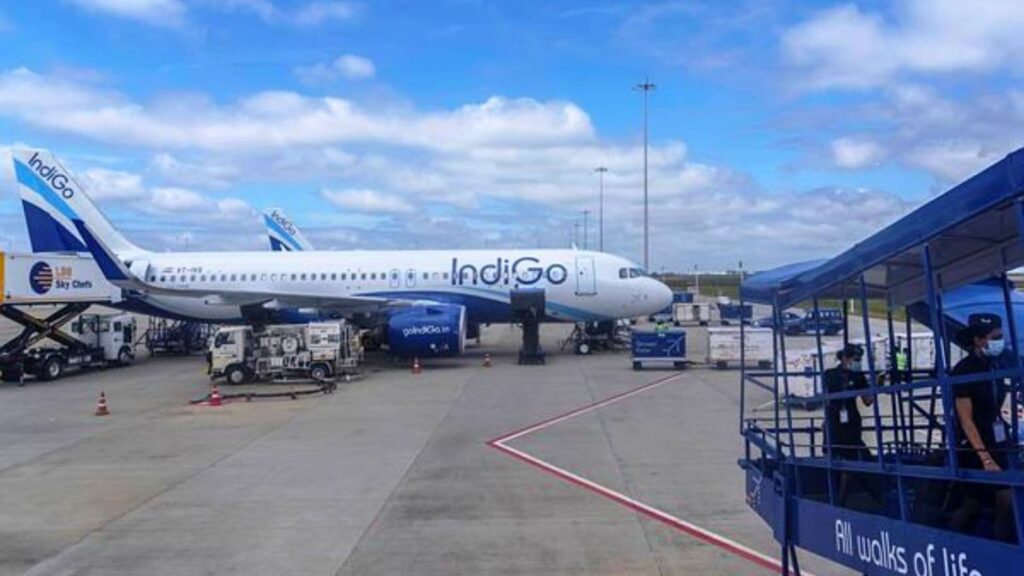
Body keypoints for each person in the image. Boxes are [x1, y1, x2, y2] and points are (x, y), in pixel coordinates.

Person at [948, 313, 1016, 542]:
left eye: (1000, 336)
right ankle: (953, 542)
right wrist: (985, 458)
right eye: (994, 337)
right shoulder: (964, 370)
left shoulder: (996, 365)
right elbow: (966, 419)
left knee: (998, 501)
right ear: (978, 340)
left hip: (998, 439)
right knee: (997, 499)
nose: (999, 341)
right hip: (974, 445)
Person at [824, 344, 874, 461]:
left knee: (836, 452)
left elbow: (867, 401)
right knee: (847, 452)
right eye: (856, 359)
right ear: (845, 358)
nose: (858, 363)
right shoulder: (856, 376)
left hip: (839, 418)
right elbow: (867, 401)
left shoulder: (830, 374)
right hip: (845, 419)